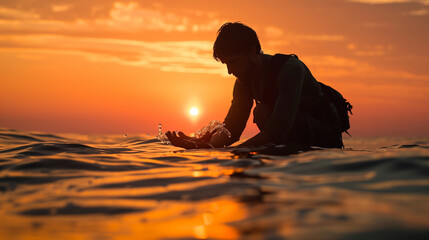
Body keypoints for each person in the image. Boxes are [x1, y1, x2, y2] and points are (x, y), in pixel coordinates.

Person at [166, 22, 347, 149]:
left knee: (262, 113)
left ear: (252, 51)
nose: (230, 71)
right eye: (226, 64)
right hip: (291, 136)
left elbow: (278, 127)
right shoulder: (244, 80)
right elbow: (231, 128)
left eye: (234, 62)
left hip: (326, 135)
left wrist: (237, 151)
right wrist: (204, 144)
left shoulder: (290, 69)